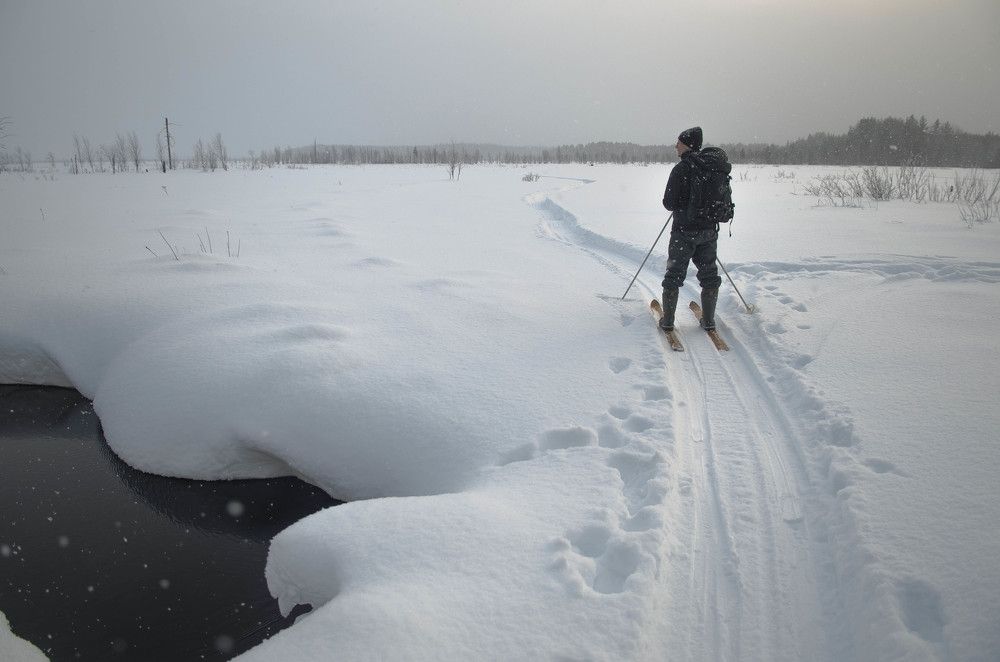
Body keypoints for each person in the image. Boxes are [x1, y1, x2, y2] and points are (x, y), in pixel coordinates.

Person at [659, 126, 729, 332]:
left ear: (688, 145)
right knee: (709, 275)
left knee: (674, 275)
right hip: (709, 231)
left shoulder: (681, 169)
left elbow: (669, 203)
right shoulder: (713, 168)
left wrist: (682, 202)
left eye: (679, 143)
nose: (676, 146)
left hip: (683, 232)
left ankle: (668, 321)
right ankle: (709, 320)